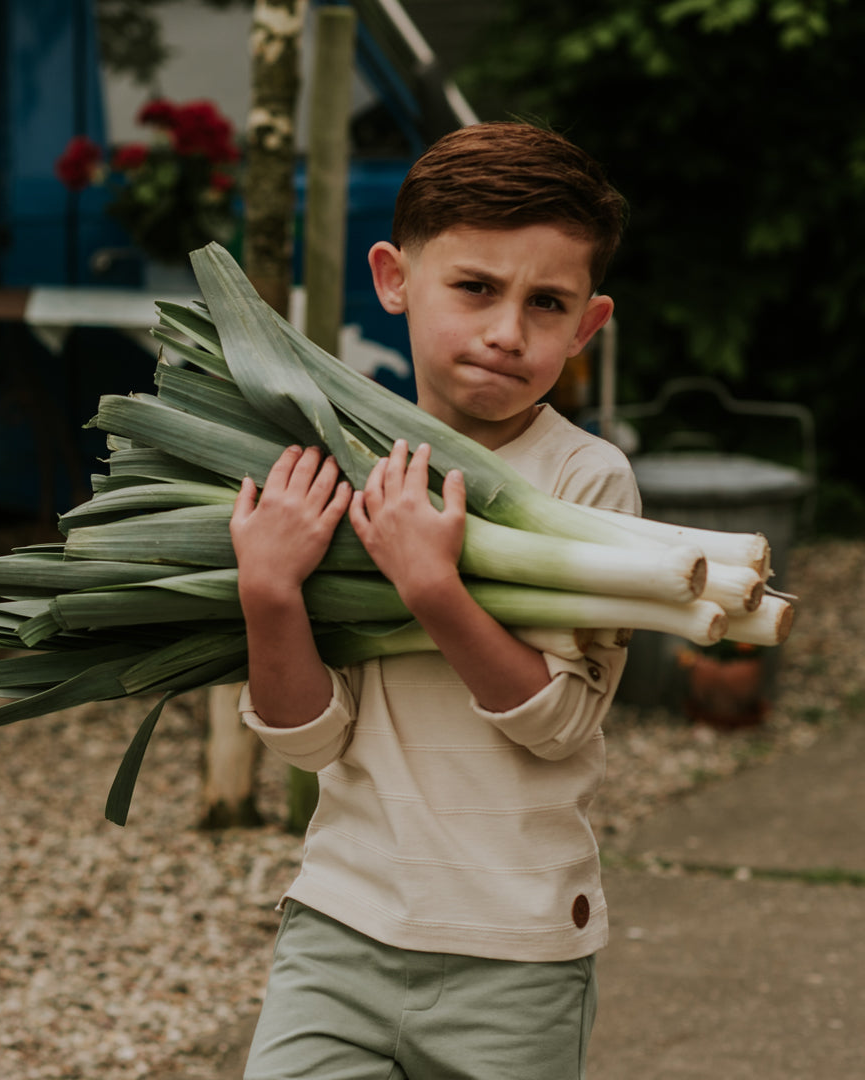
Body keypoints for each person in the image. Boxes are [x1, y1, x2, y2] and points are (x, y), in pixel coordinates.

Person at [229, 120, 640, 1080]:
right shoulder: (326, 464)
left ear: (588, 325)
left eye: (548, 303)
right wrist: (267, 592)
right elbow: (309, 741)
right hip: (340, 926)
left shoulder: (585, 483)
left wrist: (432, 589)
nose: (508, 331)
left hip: (519, 951)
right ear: (393, 278)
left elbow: (562, 723)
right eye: (475, 288)